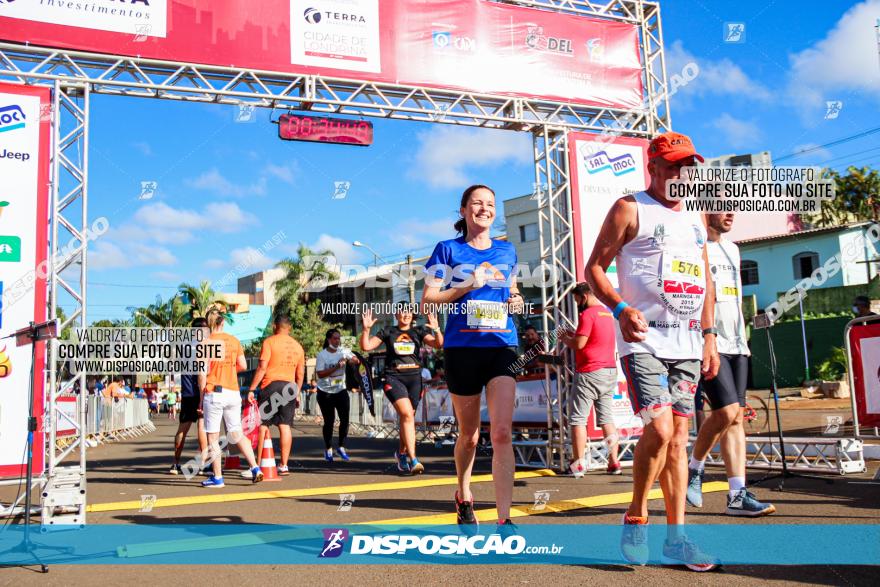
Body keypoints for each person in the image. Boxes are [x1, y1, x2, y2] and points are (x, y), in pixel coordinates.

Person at [585, 132, 720, 570]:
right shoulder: (630, 207)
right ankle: (637, 515)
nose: (682, 175)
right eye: (674, 167)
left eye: (688, 167)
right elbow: (594, 269)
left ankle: (676, 540)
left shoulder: (696, 219)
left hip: (687, 345)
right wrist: (621, 308)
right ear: (654, 168)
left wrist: (710, 336)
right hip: (643, 341)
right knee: (659, 431)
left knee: (679, 441)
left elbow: (706, 281)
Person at [422, 184, 524, 528]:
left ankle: (504, 519)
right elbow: (429, 300)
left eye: (490, 204)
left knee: (501, 433)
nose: (485, 208)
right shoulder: (447, 250)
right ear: (464, 211)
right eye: (477, 203)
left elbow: (512, 288)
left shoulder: (507, 251)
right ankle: (464, 493)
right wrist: (465, 287)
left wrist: (516, 300)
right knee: (470, 436)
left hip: (501, 345)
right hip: (462, 349)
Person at [686, 213, 776, 517]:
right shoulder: (693, 246)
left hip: (737, 343)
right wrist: (704, 336)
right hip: (709, 341)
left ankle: (737, 495)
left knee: (735, 418)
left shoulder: (734, 250)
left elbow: (734, 298)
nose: (730, 212)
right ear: (704, 211)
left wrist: (744, 339)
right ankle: (694, 467)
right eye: (721, 205)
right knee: (725, 411)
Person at [360, 308, 443, 474]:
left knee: (408, 418)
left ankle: (401, 453)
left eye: (408, 312)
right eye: (402, 312)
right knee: (406, 415)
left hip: (414, 379)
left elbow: (439, 344)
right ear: (396, 315)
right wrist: (366, 329)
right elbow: (366, 346)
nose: (405, 315)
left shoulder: (419, 331)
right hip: (393, 377)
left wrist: (437, 329)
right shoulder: (388, 331)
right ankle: (414, 460)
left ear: (412, 316)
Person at [560, 282, 621, 477]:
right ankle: (614, 462)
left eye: (577, 300)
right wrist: (574, 336)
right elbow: (594, 339)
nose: (577, 304)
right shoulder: (607, 313)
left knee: (578, 419)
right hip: (609, 370)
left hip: (589, 372)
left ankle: (578, 465)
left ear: (584, 297)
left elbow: (579, 344)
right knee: (606, 419)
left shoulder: (587, 314)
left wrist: (565, 339)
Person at [199, 306, 263, 487]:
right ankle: (255, 468)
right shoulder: (234, 341)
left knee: (213, 436)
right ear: (223, 322)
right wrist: (228, 369)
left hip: (214, 392)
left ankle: (218, 477)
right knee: (236, 433)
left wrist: (201, 399)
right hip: (233, 392)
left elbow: (203, 374)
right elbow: (242, 365)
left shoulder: (206, 343)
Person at [247, 314, 305, 476]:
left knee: (263, 424)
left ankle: (258, 465)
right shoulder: (298, 347)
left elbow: (262, 367)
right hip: (290, 387)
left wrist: (252, 388)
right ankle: (284, 465)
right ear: (290, 328)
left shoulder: (270, 342)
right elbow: (300, 375)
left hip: (271, 385)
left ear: (274, 326)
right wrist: (297, 392)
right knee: (285, 426)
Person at [170, 317, 211, 476]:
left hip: (187, 393)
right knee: (202, 426)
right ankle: (202, 464)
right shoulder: (205, 347)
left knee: (182, 429)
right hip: (201, 391)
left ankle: (175, 464)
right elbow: (202, 373)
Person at [315, 329, 360, 462]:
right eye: (335, 338)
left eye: (339, 338)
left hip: (341, 390)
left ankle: (341, 447)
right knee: (329, 422)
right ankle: (328, 448)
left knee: (345, 421)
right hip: (325, 392)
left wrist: (352, 360)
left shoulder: (343, 350)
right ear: (329, 340)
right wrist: (336, 366)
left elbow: (355, 360)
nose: (337, 340)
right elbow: (320, 374)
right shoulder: (322, 355)